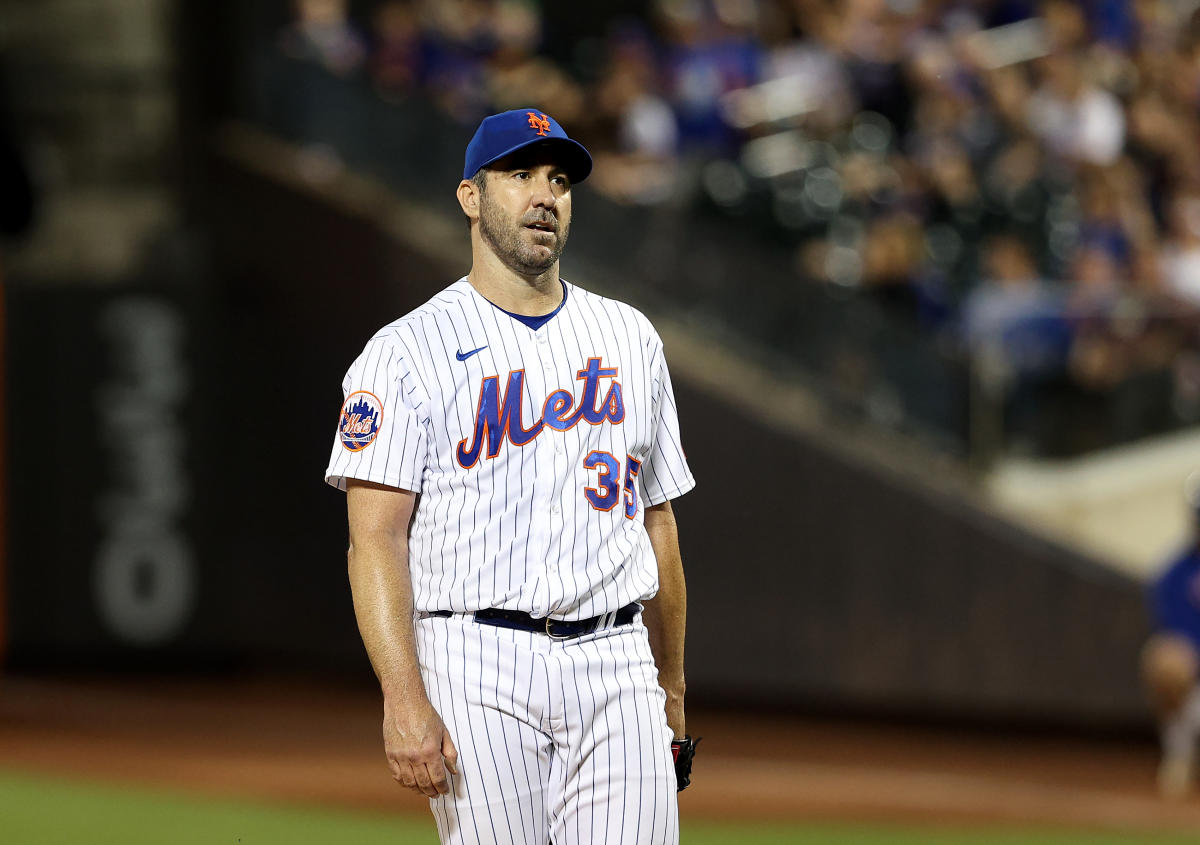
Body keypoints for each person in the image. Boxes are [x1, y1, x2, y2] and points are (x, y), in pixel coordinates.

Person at [324, 107, 697, 844]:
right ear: (471, 197)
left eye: (559, 180)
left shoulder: (629, 336)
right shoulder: (405, 352)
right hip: (476, 660)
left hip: (617, 657)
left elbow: (658, 523)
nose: (544, 195)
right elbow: (375, 541)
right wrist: (403, 698)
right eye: (520, 174)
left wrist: (673, 684)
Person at [1142, 473, 1200, 798]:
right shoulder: (1173, 572)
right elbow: (1172, 636)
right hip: (1193, 691)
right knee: (1164, 659)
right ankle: (1180, 754)